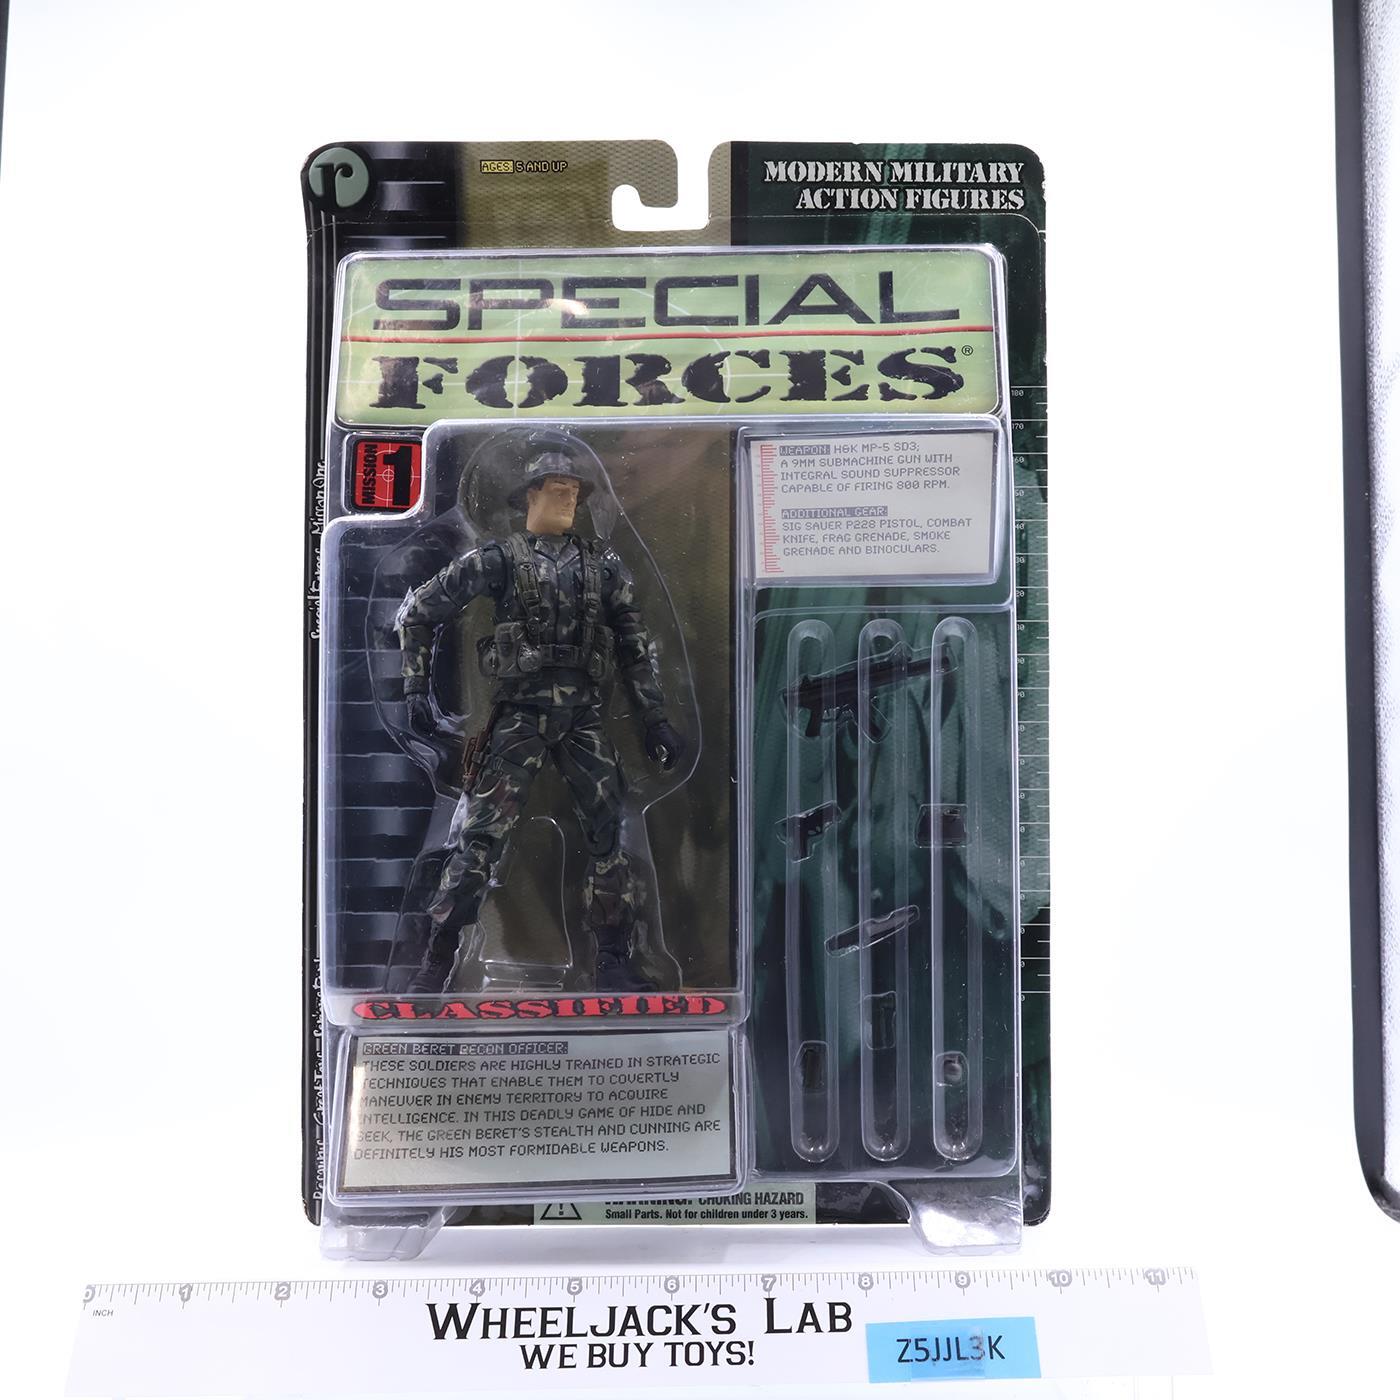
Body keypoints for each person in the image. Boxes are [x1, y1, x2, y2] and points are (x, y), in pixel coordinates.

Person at [397, 442, 686, 992]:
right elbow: (419, 612)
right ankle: (437, 957)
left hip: (582, 717)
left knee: (610, 836)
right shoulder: (500, 559)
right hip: (519, 718)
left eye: (575, 492)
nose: (569, 500)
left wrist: (654, 719)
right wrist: (415, 689)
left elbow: (634, 646)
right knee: (480, 838)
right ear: (530, 494)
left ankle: (614, 958)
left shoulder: (602, 567)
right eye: (558, 490)